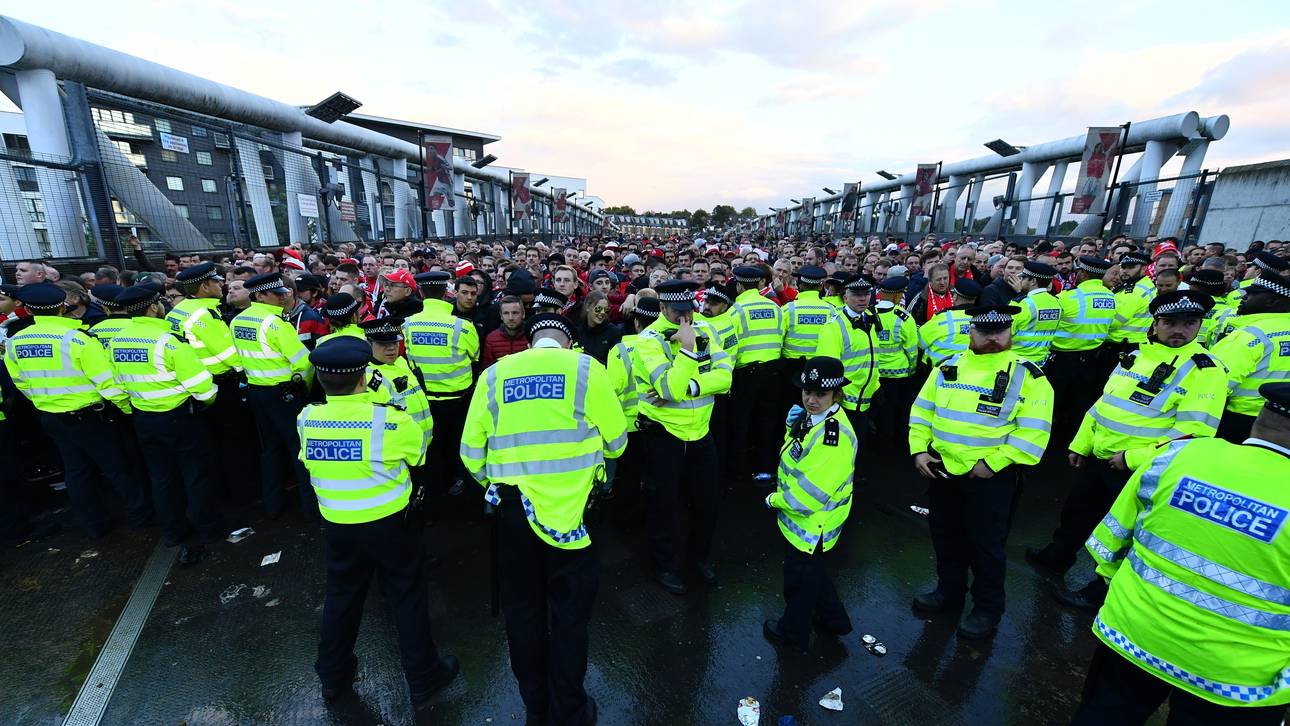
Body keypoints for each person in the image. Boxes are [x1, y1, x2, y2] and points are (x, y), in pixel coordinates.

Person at [1071, 383, 1290, 725]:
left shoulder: (1179, 456)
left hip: (1132, 635)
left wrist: (1129, 598)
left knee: (1104, 715)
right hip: (1239, 681)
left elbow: (1110, 542)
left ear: (1259, 418)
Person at [459, 313, 627, 726]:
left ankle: (536, 707)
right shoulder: (588, 369)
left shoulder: (495, 376)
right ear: (568, 343)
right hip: (572, 518)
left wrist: (497, 486)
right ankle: (569, 709)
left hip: (514, 516)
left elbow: (470, 453)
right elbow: (618, 441)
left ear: (531, 342)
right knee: (570, 620)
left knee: (524, 615)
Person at [1027, 290, 1231, 610]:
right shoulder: (1135, 356)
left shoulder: (1205, 370)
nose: (1180, 330)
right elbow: (1103, 405)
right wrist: (1082, 444)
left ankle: (1101, 590)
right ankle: (1057, 557)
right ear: (1156, 323)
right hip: (1102, 458)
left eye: (1190, 323)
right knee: (1077, 512)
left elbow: (1194, 433)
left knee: (1123, 533)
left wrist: (1132, 458)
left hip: (1140, 468)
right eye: (1170, 322)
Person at [297, 336, 458, 709]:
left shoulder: (307, 420)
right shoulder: (390, 420)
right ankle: (422, 678)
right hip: (390, 525)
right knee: (406, 598)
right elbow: (419, 456)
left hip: (338, 524)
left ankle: (333, 676)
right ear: (363, 376)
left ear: (320, 379)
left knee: (341, 598)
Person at [909, 305, 1054, 639]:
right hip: (943, 472)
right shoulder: (948, 367)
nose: (992, 338)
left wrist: (993, 464)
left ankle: (988, 608)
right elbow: (921, 412)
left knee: (986, 546)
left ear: (1010, 333)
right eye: (985, 331)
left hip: (990, 478)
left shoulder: (1027, 375)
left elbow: (1033, 433)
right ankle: (949, 592)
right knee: (945, 537)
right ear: (971, 331)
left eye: (999, 331)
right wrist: (918, 450)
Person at [3, 282, 153, 538]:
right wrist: (128, 409)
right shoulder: (77, 339)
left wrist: (47, 402)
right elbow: (106, 382)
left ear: (27, 310)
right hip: (90, 417)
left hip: (52, 417)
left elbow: (21, 383)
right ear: (63, 307)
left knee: (77, 472)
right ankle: (142, 517)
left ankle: (94, 524)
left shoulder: (15, 341)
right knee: (118, 467)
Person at [108, 285, 222, 566]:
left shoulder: (118, 341)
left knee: (161, 478)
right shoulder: (168, 341)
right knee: (195, 474)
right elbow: (201, 387)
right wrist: (209, 401)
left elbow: (116, 385)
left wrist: (131, 408)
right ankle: (208, 528)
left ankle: (172, 531)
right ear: (154, 307)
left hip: (144, 418)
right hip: (180, 418)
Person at [635, 280, 733, 594]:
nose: (683, 319)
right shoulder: (649, 339)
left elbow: (725, 375)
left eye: (687, 311)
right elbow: (667, 390)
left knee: (707, 503)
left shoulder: (704, 327)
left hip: (701, 432)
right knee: (662, 505)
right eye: (676, 312)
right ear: (662, 308)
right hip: (666, 435)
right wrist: (688, 351)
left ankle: (699, 559)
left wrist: (691, 387)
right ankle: (662, 565)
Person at [762, 356, 858, 653]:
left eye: (820, 394)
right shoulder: (813, 418)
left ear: (836, 395)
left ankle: (792, 634)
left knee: (799, 582)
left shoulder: (834, 437)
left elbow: (808, 496)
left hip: (811, 524)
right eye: (807, 392)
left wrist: (773, 500)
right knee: (812, 574)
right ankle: (834, 621)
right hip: (806, 526)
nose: (811, 399)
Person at [230, 272, 316, 519]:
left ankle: (272, 505)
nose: (282, 298)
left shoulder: (238, 321)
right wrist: (305, 389)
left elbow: (239, 360)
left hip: (257, 393)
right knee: (299, 450)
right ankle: (309, 508)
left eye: (283, 293)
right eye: (276, 294)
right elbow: (304, 363)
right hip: (285, 395)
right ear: (260, 295)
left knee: (270, 450)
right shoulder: (276, 324)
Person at [404, 270, 479, 498]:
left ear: (420, 292)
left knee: (433, 453)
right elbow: (474, 356)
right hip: (458, 402)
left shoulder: (408, 325)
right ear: (447, 293)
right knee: (460, 449)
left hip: (426, 402)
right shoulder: (462, 326)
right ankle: (464, 497)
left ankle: (434, 500)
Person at [1211, 269, 1290, 443]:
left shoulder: (1251, 335)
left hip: (1237, 420)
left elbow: (1214, 383)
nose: (1244, 297)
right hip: (1282, 420)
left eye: (1253, 294)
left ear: (1271, 301)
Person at [1047, 256, 1116, 443]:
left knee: (1055, 402)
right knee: (1080, 403)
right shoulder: (1111, 297)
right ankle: (1072, 441)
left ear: (1082, 273)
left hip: (1062, 360)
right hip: (1092, 359)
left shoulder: (1068, 297)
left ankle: (1050, 443)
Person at [816, 274, 881, 464]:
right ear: (845, 297)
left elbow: (873, 357)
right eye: (856, 294)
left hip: (866, 397)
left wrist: (876, 385)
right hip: (844, 399)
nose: (862, 299)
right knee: (839, 449)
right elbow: (827, 369)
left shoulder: (870, 319)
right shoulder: (833, 327)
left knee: (857, 444)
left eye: (866, 294)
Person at [729, 265, 784, 481]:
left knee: (741, 422)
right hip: (773, 372)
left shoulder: (736, 310)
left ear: (740, 286)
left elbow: (731, 346)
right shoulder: (775, 307)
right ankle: (766, 467)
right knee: (768, 421)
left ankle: (740, 470)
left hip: (746, 374)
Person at [360, 316, 433, 454]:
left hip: (422, 444)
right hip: (401, 450)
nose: (391, 348)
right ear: (369, 343)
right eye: (383, 344)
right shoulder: (369, 377)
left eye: (394, 342)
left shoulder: (401, 362)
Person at [871, 276, 921, 449]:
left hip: (874, 374)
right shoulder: (904, 317)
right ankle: (895, 443)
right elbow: (912, 349)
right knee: (897, 408)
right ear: (896, 296)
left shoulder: (868, 313)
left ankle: (878, 441)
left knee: (877, 410)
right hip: (898, 374)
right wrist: (912, 369)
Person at [778, 265, 836, 410]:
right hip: (820, 368)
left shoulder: (789, 309)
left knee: (789, 409)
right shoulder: (830, 310)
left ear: (800, 285)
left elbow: (778, 341)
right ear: (820, 286)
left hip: (790, 369)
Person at [917, 278, 981, 368]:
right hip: (970, 371)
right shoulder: (982, 319)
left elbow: (920, 342)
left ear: (955, 297)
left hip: (937, 372)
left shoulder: (942, 318)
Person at [1010, 261, 1063, 364]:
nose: (1020, 281)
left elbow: (1005, 334)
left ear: (1033, 281)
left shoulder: (1020, 304)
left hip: (1017, 361)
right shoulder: (1057, 302)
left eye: (1023, 278)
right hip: (1041, 362)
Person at [481, 295, 529, 366]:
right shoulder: (491, 339)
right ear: (501, 316)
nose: (510, 318)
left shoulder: (531, 336)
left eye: (515, 313)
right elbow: (486, 370)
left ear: (523, 314)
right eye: (506, 313)